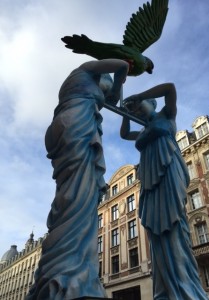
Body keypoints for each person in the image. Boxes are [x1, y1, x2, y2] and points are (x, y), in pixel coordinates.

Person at [26, 59, 129, 300]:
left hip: (63, 126)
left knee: (71, 195)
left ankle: (57, 267)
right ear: (100, 78)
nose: (106, 91)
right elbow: (119, 64)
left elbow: (110, 99)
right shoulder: (84, 71)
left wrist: (115, 88)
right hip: (75, 125)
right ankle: (71, 276)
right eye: (105, 85)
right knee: (81, 196)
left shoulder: (79, 87)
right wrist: (126, 69)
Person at [120, 83, 209, 300]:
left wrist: (139, 94)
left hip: (168, 173)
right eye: (137, 110)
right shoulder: (143, 128)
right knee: (156, 234)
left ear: (152, 102)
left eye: (141, 107)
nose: (139, 111)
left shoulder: (167, 115)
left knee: (174, 226)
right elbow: (124, 134)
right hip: (150, 182)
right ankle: (165, 290)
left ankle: (185, 289)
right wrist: (125, 114)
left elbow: (170, 88)